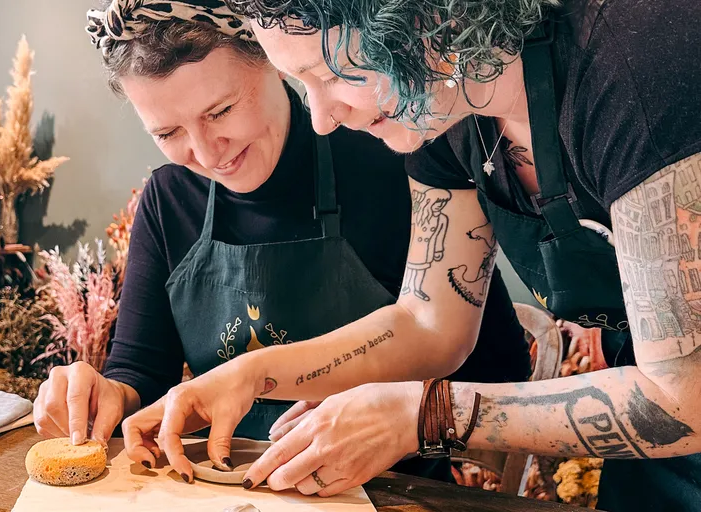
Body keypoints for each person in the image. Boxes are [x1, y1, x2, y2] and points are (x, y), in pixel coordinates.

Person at [120, 0, 701, 509]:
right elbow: (429, 323)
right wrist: (252, 374)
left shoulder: (635, 73)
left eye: (329, 75)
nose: (321, 119)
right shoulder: (445, 109)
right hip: (654, 460)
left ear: (417, 17)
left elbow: (683, 399)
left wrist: (420, 417)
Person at [32, 0, 532, 484]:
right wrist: (106, 394)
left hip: (389, 493)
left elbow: (493, 368)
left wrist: (397, 423)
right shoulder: (168, 199)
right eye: (167, 132)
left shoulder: (397, 155)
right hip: (223, 490)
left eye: (221, 111)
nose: (207, 153)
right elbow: (140, 373)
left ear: (274, 60)